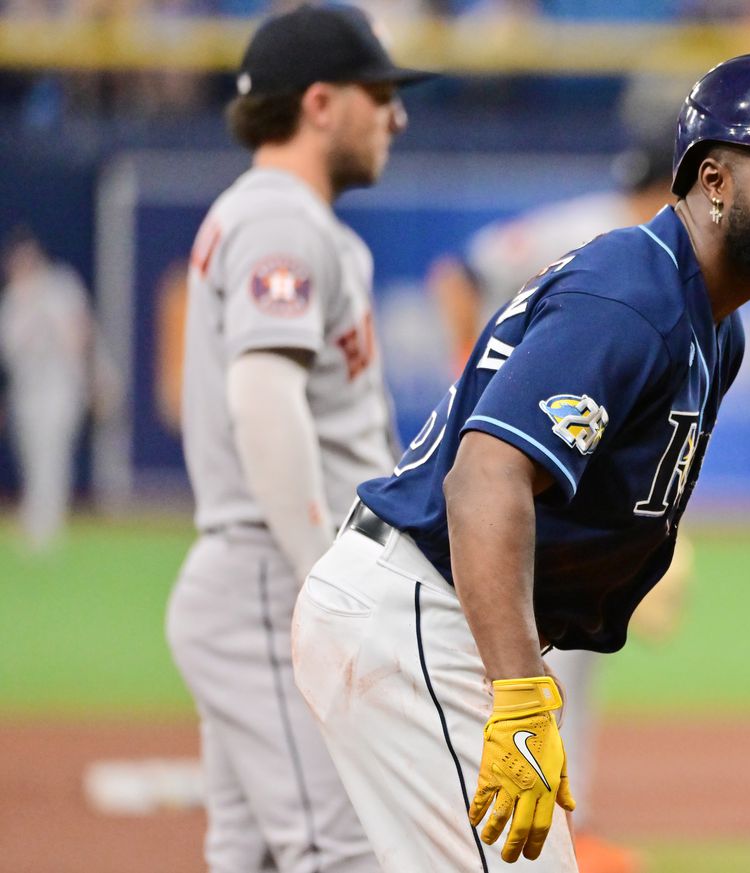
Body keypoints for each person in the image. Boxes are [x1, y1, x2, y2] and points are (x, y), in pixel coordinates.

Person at [291, 51, 750, 871]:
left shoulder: (713, 324)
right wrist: (515, 695)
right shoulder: (633, 292)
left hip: (435, 618)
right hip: (421, 620)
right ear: (714, 180)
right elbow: (486, 476)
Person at [163, 6, 433, 871]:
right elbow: (264, 397)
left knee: (255, 854)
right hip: (271, 578)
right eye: (379, 93)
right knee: (342, 851)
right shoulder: (280, 219)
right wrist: (325, 581)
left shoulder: (298, 224)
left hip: (265, 576)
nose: (396, 115)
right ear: (320, 103)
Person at [428, 128, 683, 873]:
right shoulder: (591, 232)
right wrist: (471, 371)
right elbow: (457, 273)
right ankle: (532, 820)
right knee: (534, 642)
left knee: (569, 640)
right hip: (514, 450)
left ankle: (565, 819)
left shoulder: (653, 258)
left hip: (570, 455)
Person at [0, 226, 96, 551]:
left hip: (60, 386)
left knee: (52, 455)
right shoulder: (14, 300)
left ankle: (49, 524)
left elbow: (79, 334)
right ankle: (35, 519)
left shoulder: (60, 286)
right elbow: (10, 350)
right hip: (27, 390)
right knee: (31, 455)